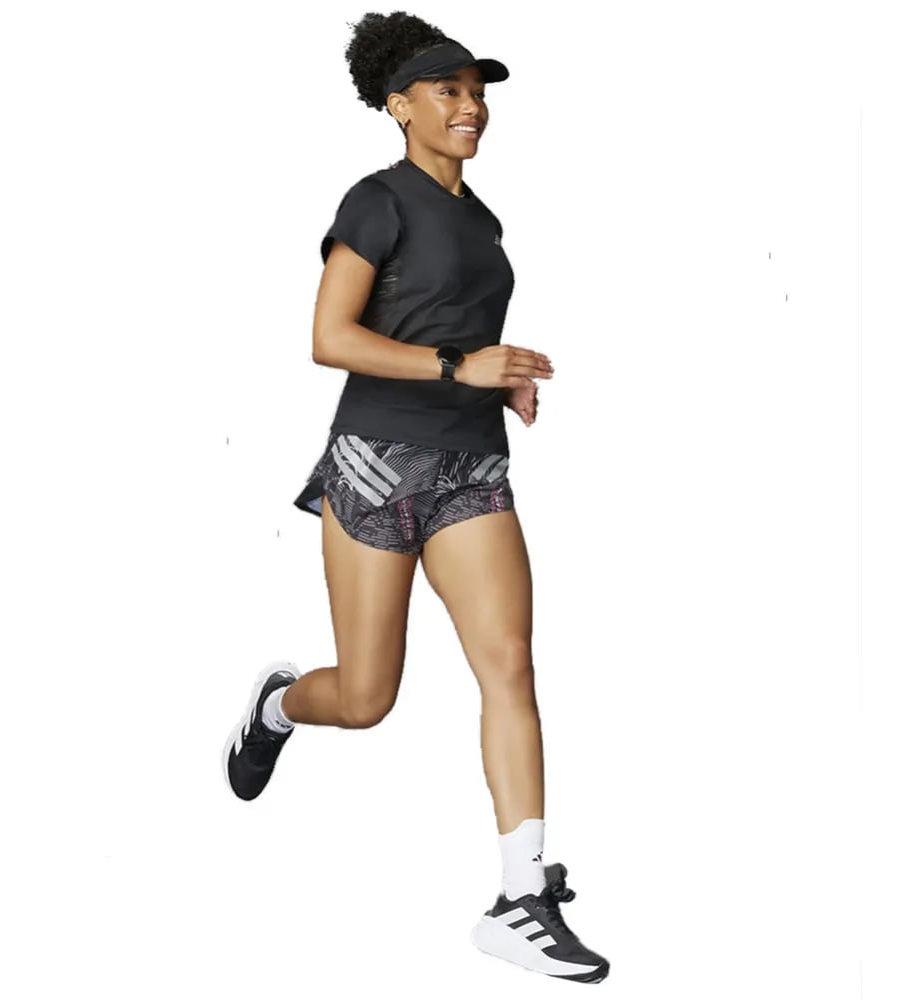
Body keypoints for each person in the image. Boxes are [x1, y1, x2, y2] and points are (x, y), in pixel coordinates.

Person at [221, 11, 610, 984]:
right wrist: (454, 364)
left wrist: (497, 378)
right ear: (400, 107)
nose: (470, 107)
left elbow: (450, 330)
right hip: (377, 463)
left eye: (478, 92)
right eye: (449, 90)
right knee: (366, 698)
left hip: (470, 467)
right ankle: (277, 706)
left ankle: (520, 897)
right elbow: (331, 337)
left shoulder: (483, 220)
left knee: (509, 665)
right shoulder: (376, 201)